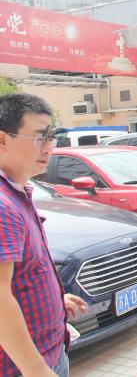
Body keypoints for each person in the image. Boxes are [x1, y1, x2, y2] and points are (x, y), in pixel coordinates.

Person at [0, 93, 88, 377]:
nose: (49, 148)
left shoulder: (17, 191)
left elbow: (21, 274)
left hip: (50, 350)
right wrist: (36, 369)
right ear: (2, 140)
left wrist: (53, 298)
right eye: (40, 138)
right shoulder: (2, 204)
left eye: (51, 138)